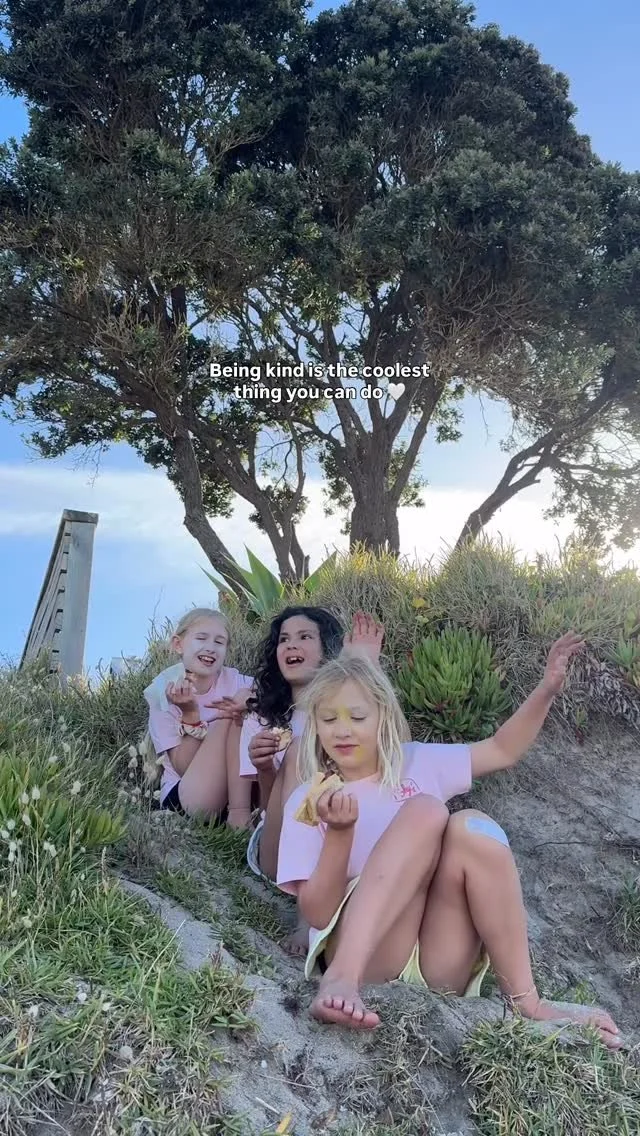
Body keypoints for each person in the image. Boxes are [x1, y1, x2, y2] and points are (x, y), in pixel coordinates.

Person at [276, 638, 621, 1049]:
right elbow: (316, 913)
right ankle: (341, 978)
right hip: (369, 958)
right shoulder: (310, 799)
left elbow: (502, 750)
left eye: (358, 716)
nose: (343, 730)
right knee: (426, 810)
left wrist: (545, 689)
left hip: (439, 961)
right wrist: (339, 834)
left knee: (474, 827)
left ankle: (527, 1001)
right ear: (315, 725)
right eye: (329, 719)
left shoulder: (417, 761)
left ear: (383, 716)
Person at [242, 606, 384, 954]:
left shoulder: (343, 713)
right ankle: (307, 918)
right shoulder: (260, 719)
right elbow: (267, 808)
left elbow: (386, 751)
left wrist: (367, 669)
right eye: (284, 639)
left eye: (305, 637)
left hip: (348, 829)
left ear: (327, 650)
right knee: (300, 750)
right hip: (281, 849)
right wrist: (264, 768)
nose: (291, 645)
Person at [144, 608, 253, 825]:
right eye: (201, 638)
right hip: (188, 797)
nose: (210, 647)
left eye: (219, 642)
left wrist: (249, 699)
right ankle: (239, 816)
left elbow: (272, 696)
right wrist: (190, 714)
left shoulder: (235, 681)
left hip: (234, 789)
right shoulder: (162, 693)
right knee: (230, 715)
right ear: (178, 644)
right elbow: (183, 768)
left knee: (246, 702)